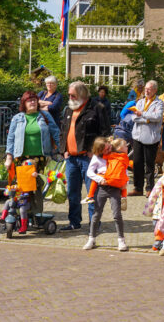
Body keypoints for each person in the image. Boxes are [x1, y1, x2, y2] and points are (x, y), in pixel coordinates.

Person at [58, 81, 111, 231]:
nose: (70, 97)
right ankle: (74, 222)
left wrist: (95, 150)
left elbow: (105, 132)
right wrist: (64, 150)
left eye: (72, 95)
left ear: (82, 94)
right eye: (69, 95)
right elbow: (64, 131)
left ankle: (94, 223)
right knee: (72, 192)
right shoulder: (69, 109)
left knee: (92, 192)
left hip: (89, 158)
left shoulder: (97, 108)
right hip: (71, 159)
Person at [5, 91, 60, 218]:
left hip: (40, 156)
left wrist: (63, 150)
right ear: (23, 103)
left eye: (35, 100)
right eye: (29, 100)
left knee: (35, 184)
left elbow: (55, 132)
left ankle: (35, 213)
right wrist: (9, 156)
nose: (33, 102)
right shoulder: (18, 118)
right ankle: (24, 212)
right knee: (24, 185)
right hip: (21, 156)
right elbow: (11, 138)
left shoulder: (44, 116)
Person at [83, 138, 129, 252]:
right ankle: (91, 239)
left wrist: (125, 183)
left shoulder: (116, 154)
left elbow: (124, 169)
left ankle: (121, 240)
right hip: (103, 187)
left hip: (115, 187)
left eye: (109, 147)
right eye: (106, 149)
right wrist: (99, 179)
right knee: (96, 214)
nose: (109, 150)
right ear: (99, 151)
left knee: (117, 214)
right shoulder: (97, 158)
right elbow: (89, 172)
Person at [130, 80, 164, 196]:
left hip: (151, 137)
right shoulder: (140, 102)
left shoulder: (159, 103)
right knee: (137, 163)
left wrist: (142, 115)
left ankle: (150, 188)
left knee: (149, 164)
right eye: (145, 89)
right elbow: (134, 118)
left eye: (149, 89)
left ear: (155, 90)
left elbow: (158, 117)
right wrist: (148, 119)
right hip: (137, 136)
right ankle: (138, 188)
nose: (147, 91)